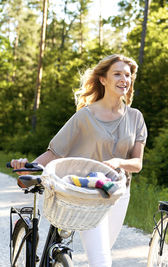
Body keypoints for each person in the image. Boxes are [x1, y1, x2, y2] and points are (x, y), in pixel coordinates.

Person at [10, 54, 147, 266]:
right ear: (103, 79)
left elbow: (137, 164)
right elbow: (55, 152)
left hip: (118, 193)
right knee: (101, 260)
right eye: (117, 74)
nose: (124, 79)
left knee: (103, 254)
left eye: (127, 75)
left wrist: (119, 162)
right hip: (88, 194)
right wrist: (27, 167)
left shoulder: (135, 117)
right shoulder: (85, 116)